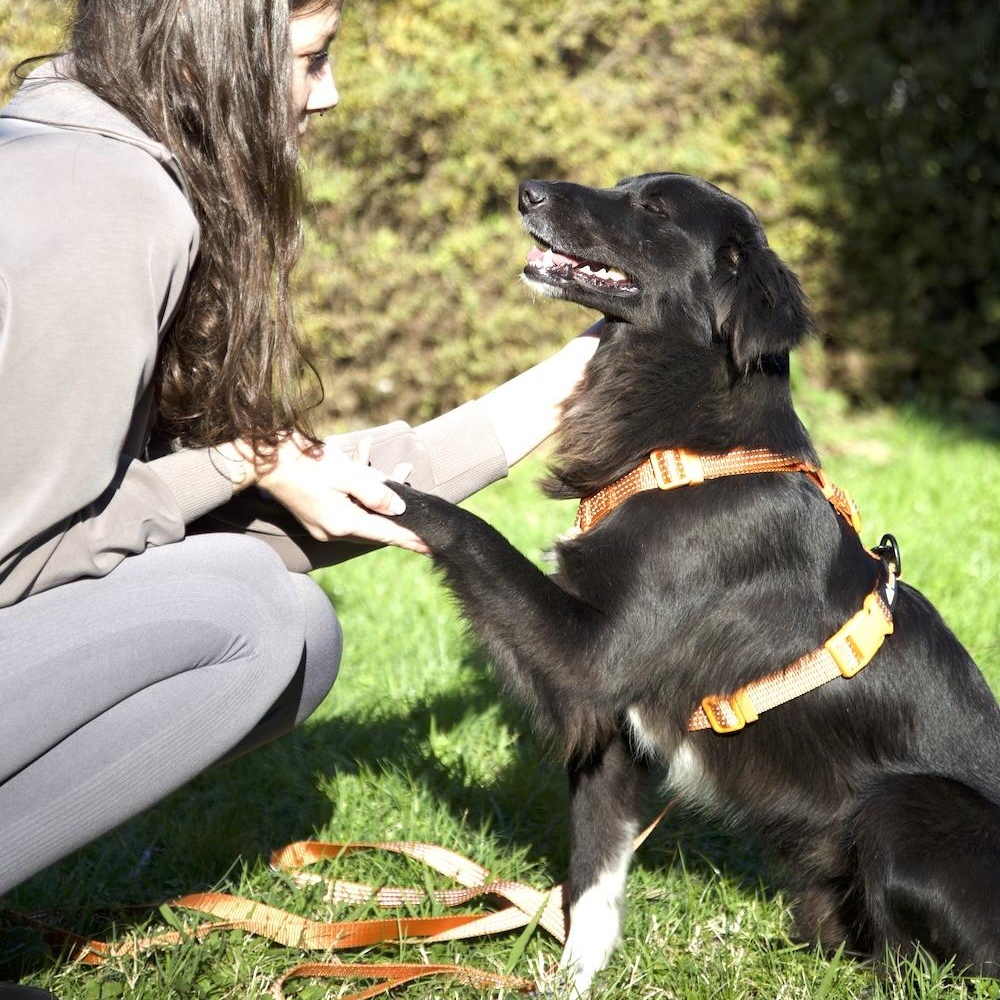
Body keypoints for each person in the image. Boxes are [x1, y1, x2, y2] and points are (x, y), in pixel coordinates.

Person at [0, 0, 600, 901]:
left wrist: (557, 390)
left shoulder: (70, 147)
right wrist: (242, 461)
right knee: (253, 616)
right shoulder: (108, 204)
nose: (330, 95)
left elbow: (165, 509)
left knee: (292, 634)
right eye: (310, 59)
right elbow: (27, 558)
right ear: (203, 58)